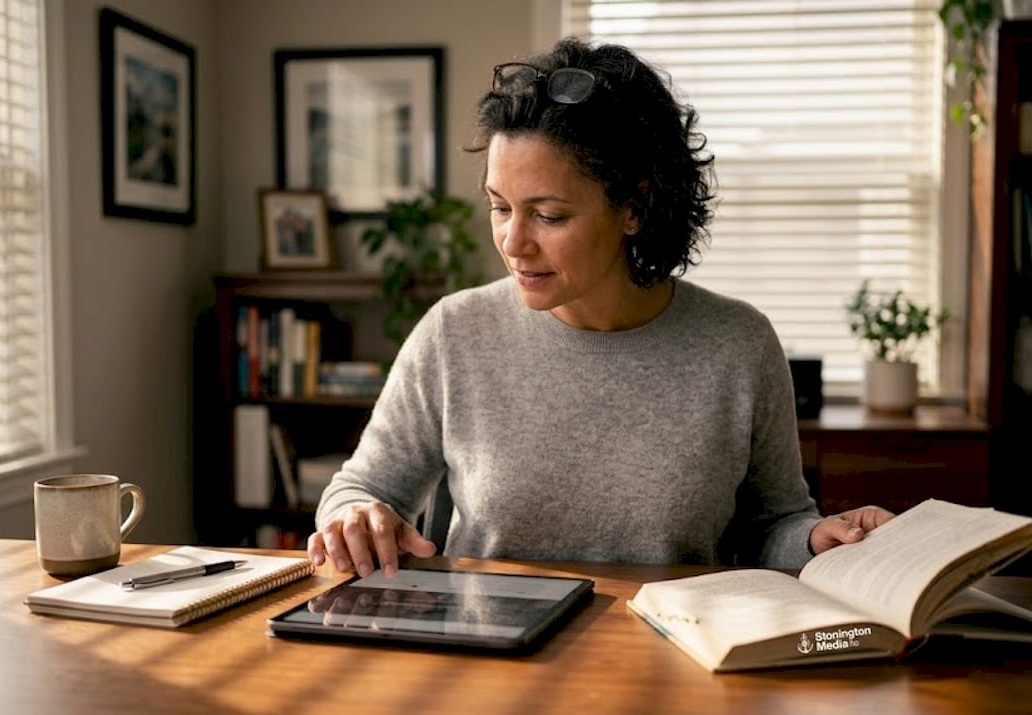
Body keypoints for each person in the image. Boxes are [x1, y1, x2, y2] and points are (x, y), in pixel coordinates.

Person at [310, 37, 892, 578]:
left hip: (669, 663)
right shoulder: (453, 333)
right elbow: (362, 487)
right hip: (488, 667)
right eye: (499, 207)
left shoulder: (738, 344)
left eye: (548, 215)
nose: (513, 242)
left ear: (633, 208)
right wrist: (355, 516)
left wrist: (817, 538)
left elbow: (775, 526)